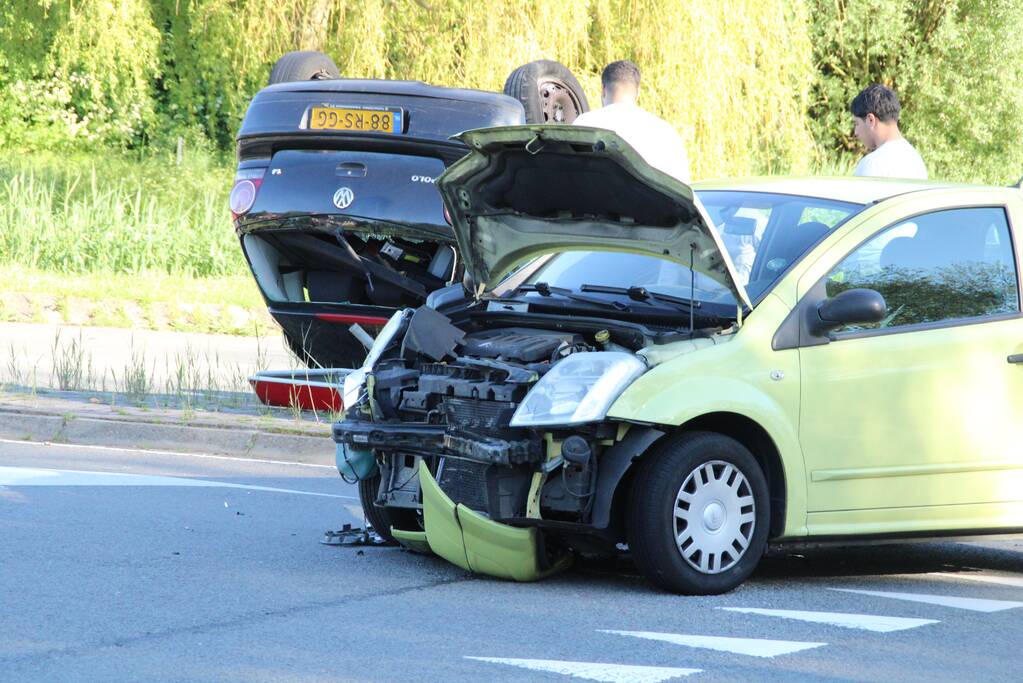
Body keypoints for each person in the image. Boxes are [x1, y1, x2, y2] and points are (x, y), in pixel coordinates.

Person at [573, 60, 691, 183]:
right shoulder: (665, 131)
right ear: (638, 92)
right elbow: (683, 186)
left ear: (603, 89)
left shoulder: (583, 123)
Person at [850, 84, 927, 179]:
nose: (856, 132)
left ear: (870, 120)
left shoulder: (872, 164)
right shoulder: (916, 160)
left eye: (857, 123)